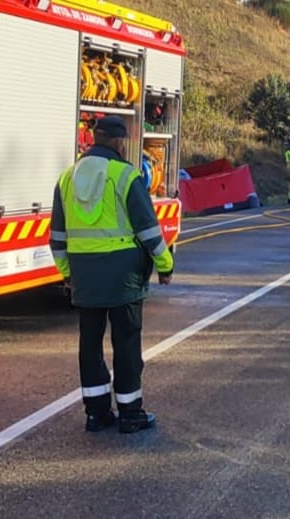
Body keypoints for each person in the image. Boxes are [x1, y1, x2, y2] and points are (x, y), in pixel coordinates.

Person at [50, 115, 173, 434]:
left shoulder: (67, 178)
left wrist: (68, 274)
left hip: (85, 276)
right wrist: (165, 265)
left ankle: (96, 413)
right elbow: (148, 230)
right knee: (127, 343)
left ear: (94, 138)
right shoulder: (125, 176)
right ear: (119, 143)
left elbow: (58, 238)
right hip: (124, 276)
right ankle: (131, 414)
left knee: (89, 345)